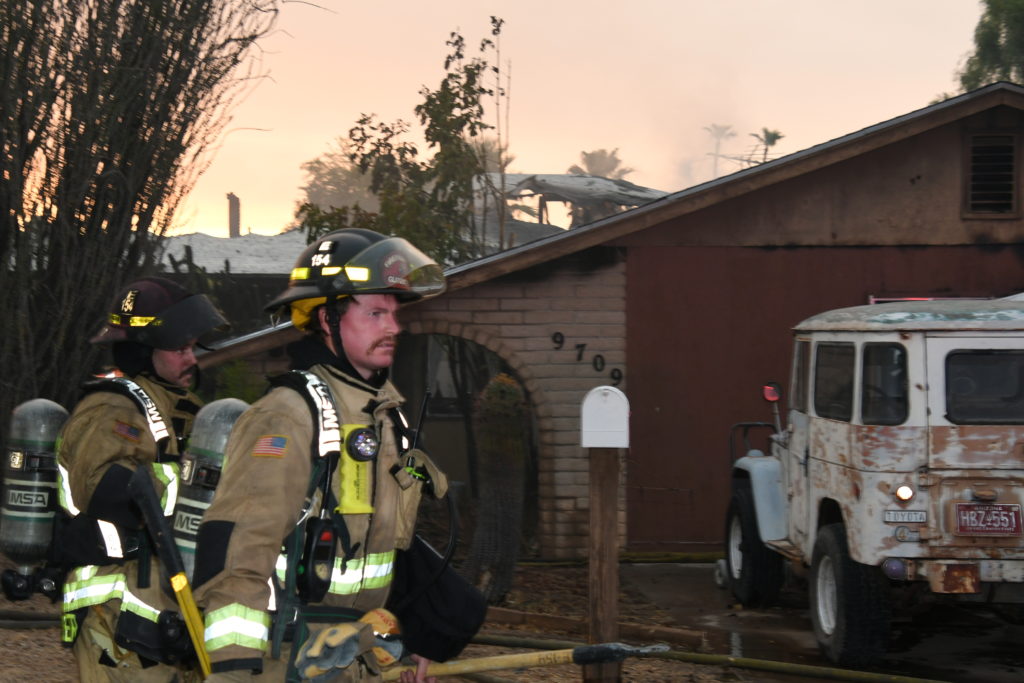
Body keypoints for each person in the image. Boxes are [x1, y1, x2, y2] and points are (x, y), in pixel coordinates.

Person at [193, 228, 448, 683]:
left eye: (394, 314)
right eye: (376, 313)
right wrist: (234, 668)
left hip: (350, 658)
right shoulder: (287, 416)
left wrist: (407, 641)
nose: (394, 327)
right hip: (284, 661)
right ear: (328, 320)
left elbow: (385, 553)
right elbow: (239, 554)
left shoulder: (385, 416)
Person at [57, 276, 229, 682]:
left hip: (161, 598)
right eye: (180, 349)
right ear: (143, 350)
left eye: (193, 347)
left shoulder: (176, 407)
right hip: (115, 602)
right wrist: (199, 483)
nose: (192, 359)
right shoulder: (114, 408)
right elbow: (103, 487)